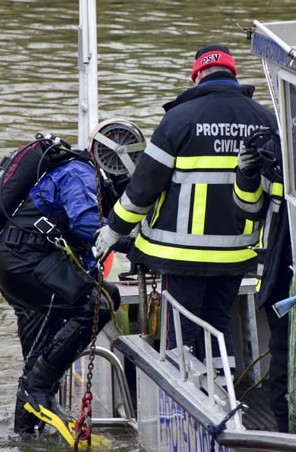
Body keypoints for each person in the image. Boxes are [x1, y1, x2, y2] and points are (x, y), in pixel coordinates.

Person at [93, 44, 279, 372]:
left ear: (197, 76)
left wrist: (113, 230)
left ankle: (183, 406)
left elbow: (143, 189)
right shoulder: (264, 118)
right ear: (232, 74)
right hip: (237, 254)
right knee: (219, 326)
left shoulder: (179, 119)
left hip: (183, 256)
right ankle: (224, 395)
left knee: (181, 331)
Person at [0, 141, 122, 443]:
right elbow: (87, 224)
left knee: (38, 360)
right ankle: (36, 390)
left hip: (16, 263)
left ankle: (25, 438)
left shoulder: (78, 172)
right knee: (101, 302)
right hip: (27, 264)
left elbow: (81, 242)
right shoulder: (79, 172)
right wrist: (134, 244)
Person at [234, 125, 292, 433]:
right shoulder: (270, 145)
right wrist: (246, 174)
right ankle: (285, 425)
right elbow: (249, 208)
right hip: (281, 272)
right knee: (282, 349)